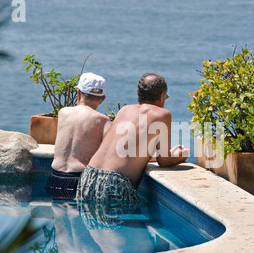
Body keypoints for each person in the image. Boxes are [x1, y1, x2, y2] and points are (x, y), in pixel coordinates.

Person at [76, 73, 189, 205]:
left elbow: (122, 152)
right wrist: (177, 156)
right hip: (115, 183)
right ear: (161, 96)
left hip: (88, 176)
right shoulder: (162, 114)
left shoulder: (124, 110)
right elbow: (164, 161)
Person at [46, 72, 111, 200]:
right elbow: (108, 154)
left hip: (54, 179)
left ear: (78, 93)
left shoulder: (63, 112)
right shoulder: (103, 120)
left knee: (59, 216)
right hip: (80, 181)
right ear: (102, 99)